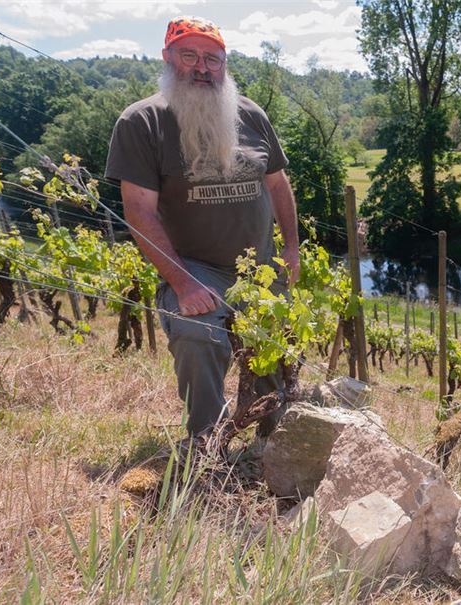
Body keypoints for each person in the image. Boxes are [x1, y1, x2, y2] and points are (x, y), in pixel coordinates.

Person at [105, 16, 299, 447]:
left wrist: (291, 248)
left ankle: (275, 445)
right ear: (167, 58)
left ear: (224, 64)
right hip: (196, 269)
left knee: (272, 353)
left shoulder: (250, 114)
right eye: (189, 55)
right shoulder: (142, 123)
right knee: (198, 334)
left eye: (212, 58)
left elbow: (278, 184)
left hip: (262, 271)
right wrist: (183, 282)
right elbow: (139, 212)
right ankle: (207, 445)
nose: (201, 67)